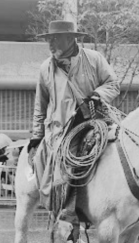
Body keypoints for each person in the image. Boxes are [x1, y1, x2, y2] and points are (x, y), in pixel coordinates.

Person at [29, 20, 119, 231]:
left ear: (70, 39)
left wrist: (97, 95)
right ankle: (67, 211)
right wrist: (36, 135)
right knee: (64, 165)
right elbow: (39, 107)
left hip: (96, 120)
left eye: (55, 39)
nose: (51, 44)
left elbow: (113, 84)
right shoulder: (45, 68)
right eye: (49, 39)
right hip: (63, 130)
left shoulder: (94, 59)